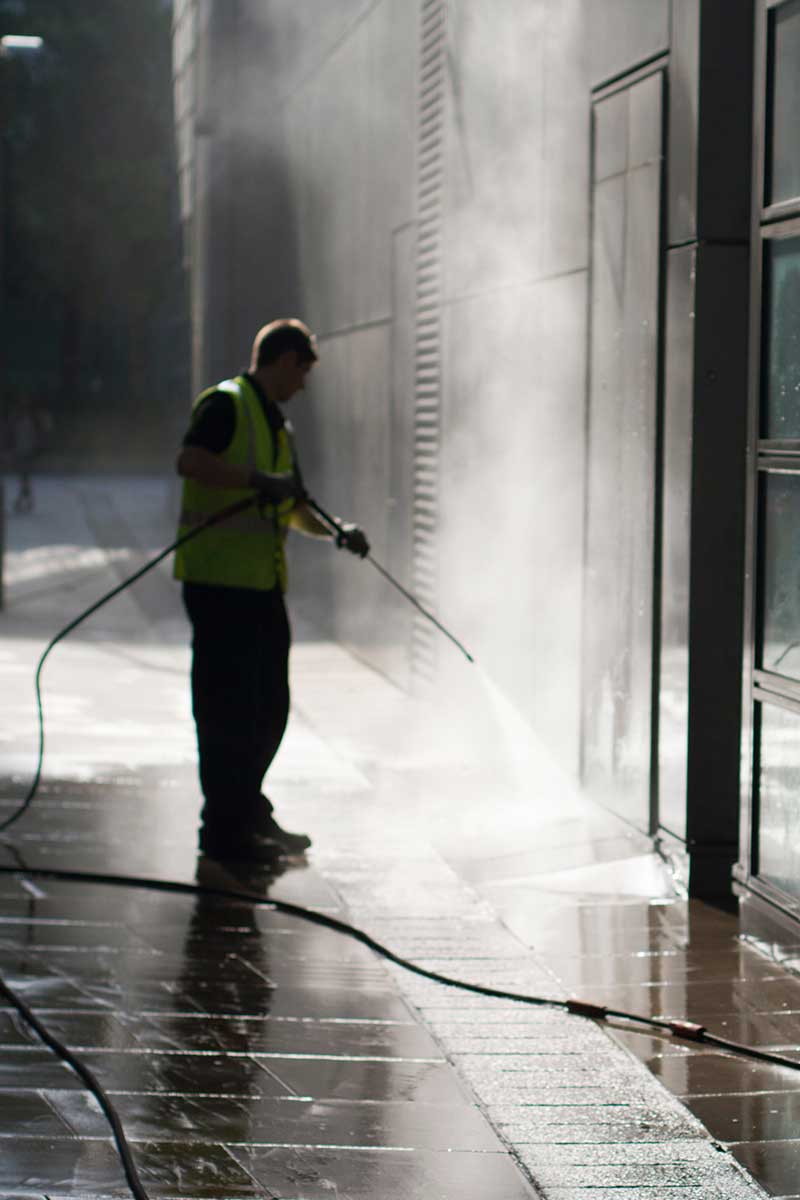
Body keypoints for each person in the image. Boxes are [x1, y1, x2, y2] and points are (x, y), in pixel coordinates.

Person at [174, 318, 369, 867]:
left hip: (260, 587)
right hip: (217, 585)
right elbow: (190, 461)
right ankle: (224, 829)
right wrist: (256, 482)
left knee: (269, 709)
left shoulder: (277, 425)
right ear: (284, 361)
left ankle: (247, 810)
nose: (303, 385)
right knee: (225, 712)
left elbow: (295, 504)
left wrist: (337, 532)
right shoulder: (226, 405)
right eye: (302, 372)